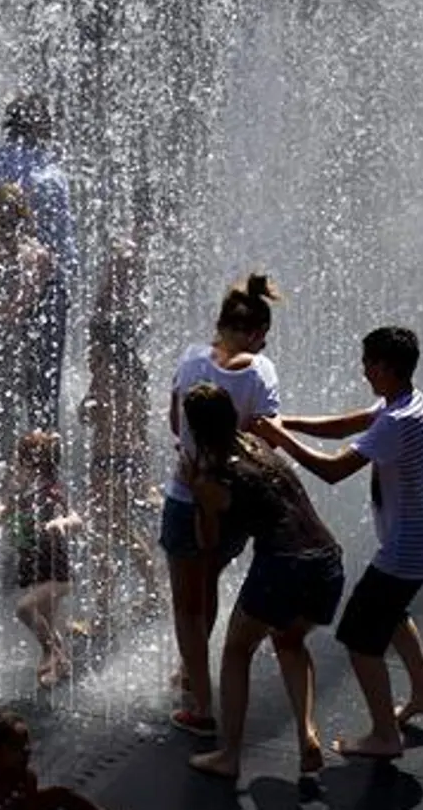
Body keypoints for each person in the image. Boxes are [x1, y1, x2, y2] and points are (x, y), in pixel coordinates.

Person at [267, 326, 423, 760]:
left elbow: (333, 471)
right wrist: (287, 423)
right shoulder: (407, 401)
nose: (363, 369)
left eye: (368, 362)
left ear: (386, 368)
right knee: (391, 611)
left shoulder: (398, 421)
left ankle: (385, 737)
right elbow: (352, 423)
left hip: (413, 545)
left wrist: (282, 441)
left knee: (358, 636)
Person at [181, 382, 345, 780]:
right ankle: (306, 734)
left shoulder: (216, 474)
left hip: (284, 566)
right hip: (327, 560)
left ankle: (229, 756)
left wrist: (196, 490)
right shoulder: (258, 445)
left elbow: (209, 543)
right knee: (289, 640)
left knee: (236, 650)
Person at [161, 273, 287, 737]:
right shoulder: (261, 372)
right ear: (255, 332)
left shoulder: (193, 359)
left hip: (185, 493)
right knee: (208, 579)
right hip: (233, 500)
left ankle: (198, 696)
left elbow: (177, 424)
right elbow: (265, 438)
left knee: (185, 602)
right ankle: (192, 673)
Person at [0, 91, 77, 431]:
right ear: (40, 128)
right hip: (44, 290)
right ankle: (44, 471)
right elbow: (64, 251)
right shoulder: (52, 180)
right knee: (43, 389)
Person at [78, 236, 161, 633]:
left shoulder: (110, 375)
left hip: (110, 460)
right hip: (120, 459)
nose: (89, 355)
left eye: (93, 350)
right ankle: (152, 595)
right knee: (117, 530)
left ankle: (104, 615)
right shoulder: (126, 374)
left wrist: (90, 409)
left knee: (102, 533)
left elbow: (105, 414)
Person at [0, 430, 82, 688]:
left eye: (19, 462)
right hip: (35, 571)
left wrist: (62, 522)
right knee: (47, 623)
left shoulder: (51, 492)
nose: (15, 467)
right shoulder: (22, 495)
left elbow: (76, 518)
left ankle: (53, 653)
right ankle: (60, 665)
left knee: (25, 609)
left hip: (57, 574)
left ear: (33, 465)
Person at [0, 184, 56, 485]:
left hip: (13, 340)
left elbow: (24, 302)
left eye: (10, 218)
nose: (4, 225)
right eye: (1, 217)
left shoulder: (31, 253)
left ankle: (13, 470)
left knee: (6, 405)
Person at [0, 707, 107, 810]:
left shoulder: (25, 779)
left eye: (27, 742)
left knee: (63, 796)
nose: (27, 750)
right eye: (16, 746)